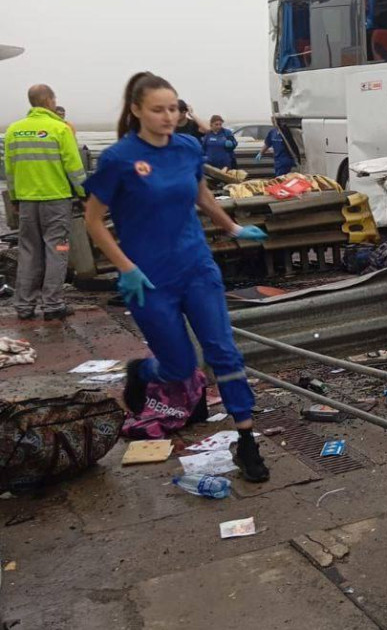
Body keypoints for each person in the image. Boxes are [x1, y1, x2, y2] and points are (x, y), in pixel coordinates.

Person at [83, 72, 271, 481]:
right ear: (136, 111)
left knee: (224, 353)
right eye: (158, 109)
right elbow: (94, 221)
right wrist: (126, 268)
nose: (169, 116)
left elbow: (201, 195)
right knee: (181, 368)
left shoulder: (187, 147)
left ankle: (247, 441)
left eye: (174, 108)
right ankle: (143, 372)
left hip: (196, 268)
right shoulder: (119, 159)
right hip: (149, 280)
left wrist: (233, 229)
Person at [4, 84, 86, 320]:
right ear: (49, 100)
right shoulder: (60, 129)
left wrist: (15, 198)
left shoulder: (14, 130)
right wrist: (83, 193)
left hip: (27, 202)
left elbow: (9, 170)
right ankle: (52, 305)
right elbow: (74, 167)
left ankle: (24, 306)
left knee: (28, 251)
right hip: (56, 201)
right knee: (57, 250)